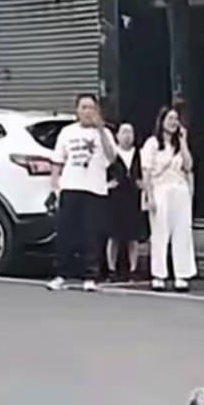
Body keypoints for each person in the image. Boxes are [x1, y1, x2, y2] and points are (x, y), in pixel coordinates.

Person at [48, 93, 116, 293]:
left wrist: (101, 129)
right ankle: (62, 274)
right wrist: (55, 186)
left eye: (91, 108)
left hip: (94, 189)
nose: (87, 112)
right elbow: (58, 161)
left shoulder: (104, 133)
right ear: (77, 111)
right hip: (70, 187)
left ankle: (90, 276)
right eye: (83, 107)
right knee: (66, 233)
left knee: (92, 234)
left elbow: (112, 157)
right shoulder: (67, 132)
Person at [141, 105, 197, 291]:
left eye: (176, 119)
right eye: (170, 119)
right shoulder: (152, 144)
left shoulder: (179, 145)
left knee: (182, 232)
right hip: (160, 189)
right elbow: (146, 172)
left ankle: (182, 274)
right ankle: (158, 274)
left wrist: (184, 142)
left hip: (180, 190)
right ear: (162, 121)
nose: (173, 123)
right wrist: (149, 197)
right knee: (159, 233)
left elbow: (188, 166)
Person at [106, 122, 144, 282]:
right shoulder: (112, 154)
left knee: (133, 236)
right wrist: (107, 185)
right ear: (117, 136)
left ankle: (133, 269)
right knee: (113, 235)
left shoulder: (140, 154)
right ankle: (111, 269)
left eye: (130, 132)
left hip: (133, 197)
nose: (127, 136)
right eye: (124, 132)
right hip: (115, 198)